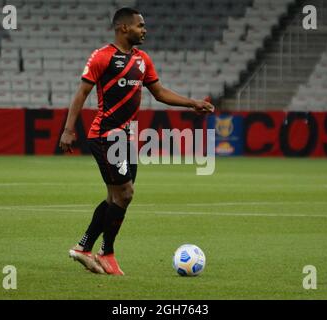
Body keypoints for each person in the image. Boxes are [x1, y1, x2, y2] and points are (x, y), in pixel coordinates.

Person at [59, 7, 214, 276]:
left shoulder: (143, 60)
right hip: (106, 134)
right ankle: (106, 253)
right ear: (123, 28)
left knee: (115, 197)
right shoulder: (102, 57)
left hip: (127, 138)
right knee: (125, 193)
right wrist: (68, 129)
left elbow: (160, 92)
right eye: (140, 26)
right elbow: (81, 93)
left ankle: (85, 248)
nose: (145, 30)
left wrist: (192, 104)